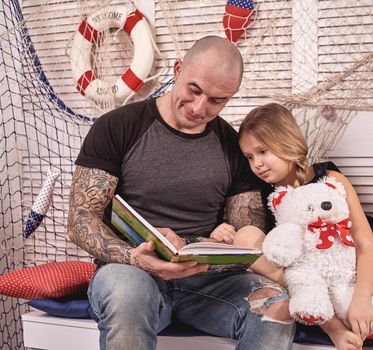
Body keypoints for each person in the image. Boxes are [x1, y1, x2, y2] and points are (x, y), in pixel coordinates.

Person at [66, 37, 296, 350]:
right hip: (133, 272)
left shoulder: (234, 145)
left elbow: (247, 236)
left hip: (208, 283)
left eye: (217, 100)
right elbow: (80, 220)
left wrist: (211, 243)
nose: (199, 108)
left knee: (278, 306)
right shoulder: (117, 127)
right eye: (194, 89)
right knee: (126, 293)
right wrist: (137, 256)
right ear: (177, 70)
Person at [211, 103, 373, 350]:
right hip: (304, 281)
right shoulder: (263, 193)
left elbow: (365, 242)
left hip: (347, 271)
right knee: (245, 236)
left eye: (263, 151)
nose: (257, 164)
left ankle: (345, 304)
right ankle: (331, 325)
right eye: (250, 157)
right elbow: (249, 243)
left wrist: (361, 300)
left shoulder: (330, 179)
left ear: (287, 141)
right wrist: (221, 232)